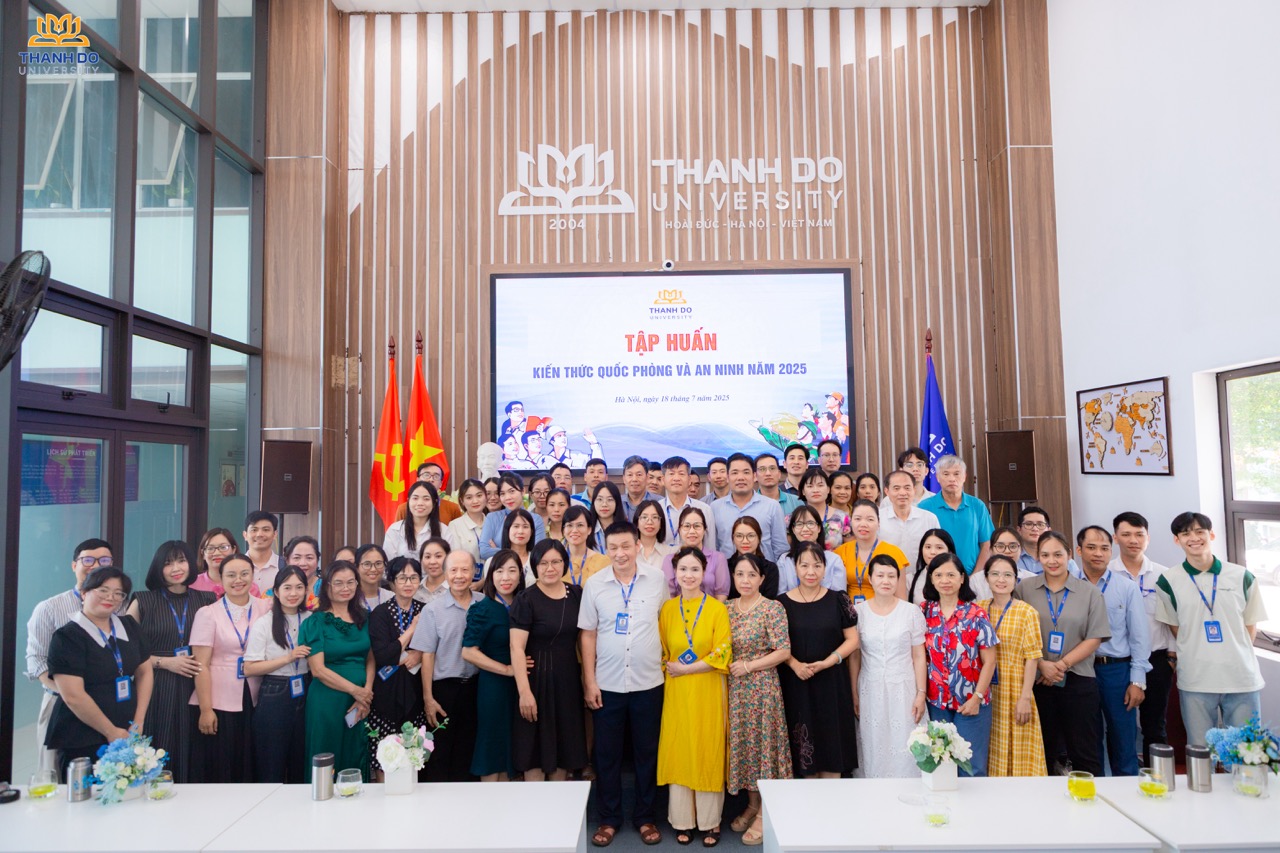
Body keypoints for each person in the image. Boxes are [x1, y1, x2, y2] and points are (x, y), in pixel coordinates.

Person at [579, 521, 669, 848]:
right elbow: (588, 634)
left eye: (626, 546)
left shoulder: (656, 579)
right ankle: (608, 818)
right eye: (613, 547)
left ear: (637, 546)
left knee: (647, 753)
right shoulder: (594, 584)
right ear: (606, 549)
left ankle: (645, 817)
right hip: (608, 683)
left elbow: (665, 623)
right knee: (607, 756)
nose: (620, 553)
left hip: (649, 683)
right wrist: (589, 681)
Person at [1155, 512, 1268, 751]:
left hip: (1240, 677)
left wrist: (1233, 653)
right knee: (1200, 751)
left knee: (1246, 751)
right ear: (1177, 540)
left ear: (1211, 535)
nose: (1194, 538)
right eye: (1186, 533)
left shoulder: (1242, 576)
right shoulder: (1168, 581)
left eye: (1200, 532)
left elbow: (1250, 626)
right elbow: (1176, 628)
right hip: (1196, 679)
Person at [1014, 531, 1110, 776]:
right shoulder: (1024, 589)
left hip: (1078, 680)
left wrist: (1061, 665)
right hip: (1037, 681)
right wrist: (1042, 665)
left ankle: (1089, 796)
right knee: (1042, 751)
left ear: (1069, 554)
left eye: (1058, 554)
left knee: (1085, 751)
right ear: (1038, 557)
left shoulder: (1089, 592)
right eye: (1045, 555)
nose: (1052, 560)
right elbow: (1017, 634)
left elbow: (1095, 637)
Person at [44, 565, 152, 777]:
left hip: (128, 729)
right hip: (82, 734)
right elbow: (73, 696)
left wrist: (138, 721)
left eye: (118, 593)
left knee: (129, 788)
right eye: (103, 590)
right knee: (87, 793)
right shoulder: (67, 637)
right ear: (84, 593)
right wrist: (110, 731)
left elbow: (145, 671)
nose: (110, 597)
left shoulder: (129, 626)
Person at [657, 547, 732, 846]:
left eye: (695, 569)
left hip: (708, 687)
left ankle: (710, 822)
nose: (688, 575)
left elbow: (723, 652)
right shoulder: (667, 609)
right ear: (675, 573)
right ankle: (682, 820)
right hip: (676, 689)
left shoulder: (717, 609)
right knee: (680, 747)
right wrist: (671, 667)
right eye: (683, 569)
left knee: (706, 745)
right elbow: (662, 651)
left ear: (704, 573)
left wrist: (687, 669)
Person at [126, 541, 216, 783]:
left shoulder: (207, 600)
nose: (176, 568)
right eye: (168, 563)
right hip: (156, 685)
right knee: (158, 747)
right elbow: (126, 651)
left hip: (196, 683)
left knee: (196, 748)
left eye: (181, 561)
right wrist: (164, 663)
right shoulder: (143, 601)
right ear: (158, 567)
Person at [26, 538, 116, 772]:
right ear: (74, 565)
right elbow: (37, 660)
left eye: (104, 561)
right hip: (62, 702)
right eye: (88, 560)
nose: (95, 565)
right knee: (57, 773)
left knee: (109, 771)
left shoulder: (118, 606)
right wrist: (72, 694)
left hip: (108, 702)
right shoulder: (49, 608)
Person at [725, 554, 792, 846]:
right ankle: (752, 804)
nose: (745, 580)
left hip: (762, 687)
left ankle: (765, 811)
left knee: (765, 747)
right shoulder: (726, 608)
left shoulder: (772, 608)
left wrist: (749, 666)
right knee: (745, 747)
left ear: (762, 579)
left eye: (752, 575)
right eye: (740, 574)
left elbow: (784, 651)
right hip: (735, 690)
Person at [777, 542, 859, 778]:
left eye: (817, 565)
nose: (810, 572)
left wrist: (828, 661)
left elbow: (853, 640)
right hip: (796, 683)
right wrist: (795, 665)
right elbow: (776, 644)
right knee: (804, 759)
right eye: (804, 566)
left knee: (832, 755)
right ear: (795, 568)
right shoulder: (780, 604)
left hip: (832, 683)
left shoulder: (839, 599)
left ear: (825, 568)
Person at [511, 539, 588, 780]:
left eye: (556, 562)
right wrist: (524, 692)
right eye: (543, 563)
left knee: (564, 751)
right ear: (535, 566)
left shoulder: (577, 594)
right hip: (536, 683)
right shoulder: (526, 599)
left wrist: (588, 680)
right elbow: (516, 647)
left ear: (565, 563)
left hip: (568, 682)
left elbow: (584, 639)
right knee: (534, 752)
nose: (550, 568)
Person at [189, 554, 270, 782]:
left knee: (254, 760)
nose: (238, 580)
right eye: (231, 575)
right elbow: (201, 665)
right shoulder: (207, 613)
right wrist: (206, 709)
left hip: (258, 695)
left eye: (244, 574)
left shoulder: (266, 607)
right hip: (219, 700)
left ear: (253, 576)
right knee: (224, 762)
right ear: (221, 579)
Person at [1077, 525, 1150, 777]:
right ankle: (1092, 788)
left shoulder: (1126, 587)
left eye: (1104, 548)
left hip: (1116, 670)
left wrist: (1137, 681)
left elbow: (1139, 637)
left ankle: (1127, 788)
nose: (1098, 553)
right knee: (1087, 737)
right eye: (1091, 547)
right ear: (1079, 550)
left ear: (1111, 550)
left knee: (1123, 737)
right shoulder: (1069, 586)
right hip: (1080, 670)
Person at [920, 553, 998, 776]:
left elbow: (990, 661)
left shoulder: (976, 614)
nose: (945, 580)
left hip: (971, 702)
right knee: (940, 766)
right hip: (937, 703)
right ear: (931, 579)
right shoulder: (924, 611)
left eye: (951, 575)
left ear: (962, 578)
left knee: (971, 767)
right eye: (939, 575)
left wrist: (977, 698)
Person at [850, 553, 927, 778]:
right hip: (870, 688)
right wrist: (854, 692)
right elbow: (855, 657)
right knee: (874, 745)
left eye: (891, 576)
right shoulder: (858, 612)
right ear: (870, 579)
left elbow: (918, 655)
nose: (886, 581)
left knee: (906, 744)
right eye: (880, 575)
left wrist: (921, 693)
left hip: (904, 688)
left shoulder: (911, 611)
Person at [410, 550, 483, 782]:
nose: (459, 575)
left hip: (477, 687)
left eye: (465, 570)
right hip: (444, 689)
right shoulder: (433, 609)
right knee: (441, 752)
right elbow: (427, 655)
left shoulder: (484, 604)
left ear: (474, 571)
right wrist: (428, 698)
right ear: (445, 573)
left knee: (469, 750)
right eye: (453, 570)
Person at [299, 560, 375, 782]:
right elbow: (318, 670)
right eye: (339, 583)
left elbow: (371, 658)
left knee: (355, 752)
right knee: (326, 755)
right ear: (327, 586)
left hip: (360, 701)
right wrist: (356, 691)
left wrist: (366, 693)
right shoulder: (315, 622)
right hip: (327, 700)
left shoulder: (365, 618)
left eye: (351, 582)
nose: (345, 588)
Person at [1110, 511, 1175, 768]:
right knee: (1119, 726)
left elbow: (1173, 619)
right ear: (1115, 538)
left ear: (1148, 538)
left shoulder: (1163, 575)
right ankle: (1122, 778)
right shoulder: (1107, 574)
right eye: (1126, 534)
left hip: (1156, 660)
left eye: (1139, 534)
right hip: (1118, 661)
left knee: (1155, 725)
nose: (1133, 540)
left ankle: (1157, 778)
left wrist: (1172, 657)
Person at [976, 554, 1047, 777]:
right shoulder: (978, 609)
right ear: (986, 578)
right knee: (988, 745)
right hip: (985, 689)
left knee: (1019, 747)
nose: (1001, 579)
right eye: (995, 574)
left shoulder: (1027, 612)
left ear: (1016, 580)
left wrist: (1025, 697)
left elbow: (1032, 658)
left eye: (1007, 575)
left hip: (1015, 688)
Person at [243, 566, 312, 783]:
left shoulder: (311, 619)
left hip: (307, 687)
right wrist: (288, 658)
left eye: (299, 587)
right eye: (287, 588)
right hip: (275, 691)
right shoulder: (264, 623)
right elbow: (249, 668)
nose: (293, 593)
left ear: (306, 590)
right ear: (276, 591)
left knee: (301, 760)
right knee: (271, 761)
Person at [462, 549, 526, 781]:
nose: (505, 577)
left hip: (522, 687)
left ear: (520, 575)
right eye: (499, 571)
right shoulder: (483, 608)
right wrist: (507, 670)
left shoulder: (525, 604)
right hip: (494, 686)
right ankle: (489, 800)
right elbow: (468, 652)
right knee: (492, 746)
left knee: (511, 747)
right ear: (491, 576)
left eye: (512, 571)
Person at [366, 557, 427, 778]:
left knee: (413, 755)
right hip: (386, 690)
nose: (408, 583)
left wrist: (420, 654)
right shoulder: (380, 613)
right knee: (384, 756)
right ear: (392, 582)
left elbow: (435, 647)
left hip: (415, 689)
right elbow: (382, 655)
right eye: (402, 578)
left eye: (413, 577)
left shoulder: (426, 610)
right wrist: (411, 630)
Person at [919, 456, 995, 576]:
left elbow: (987, 544)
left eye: (956, 474)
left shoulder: (977, 505)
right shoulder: (925, 507)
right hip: (937, 577)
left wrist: (975, 576)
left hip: (973, 576)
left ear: (964, 477)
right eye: (946, 474)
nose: (952, 479)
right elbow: (920, 545)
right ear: (937, 477)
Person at [712, 453, 788, 561]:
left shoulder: (772, 506)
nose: (740, 478)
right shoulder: (715, 507)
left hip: (764, 570)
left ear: (754, 476)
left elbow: (781, 549)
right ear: (728, 477)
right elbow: (713, 548)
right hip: (727, 570)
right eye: (735, 473)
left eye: (746, 472)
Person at [835, 499, 909, 603]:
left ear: (878, 523)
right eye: (858, 519)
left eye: (870, 519)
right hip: (849, 610)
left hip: (883, 609)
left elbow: (901, 597)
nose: (863, 524)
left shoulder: (894, 553)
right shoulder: (841, 552)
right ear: (851, 522)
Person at [661, 506, 731, 599]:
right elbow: (669, 594)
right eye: (687, 526)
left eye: (697, 526)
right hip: (678, 608)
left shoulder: (718, 558)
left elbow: (722, 593)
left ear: (704, 529)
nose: (692, 531)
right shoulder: (670, 560)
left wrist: (709, 609)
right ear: (679, 530)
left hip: (711, 607)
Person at [879, 469, 940, 569]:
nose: (902, 493)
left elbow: (938, 551)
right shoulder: (877, 518)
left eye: (907, 488)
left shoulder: (929, 518)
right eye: (896, 488)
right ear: (887, 491)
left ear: (914, 490)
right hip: (887, 576)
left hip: (921, 576)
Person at [777, 506, 846, 594]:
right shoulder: (784, 560)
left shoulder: (834, 560)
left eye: (810, 523)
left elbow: (839, 596)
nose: (805, 529)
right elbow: (781, 595)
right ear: (793, 529)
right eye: (799, 524)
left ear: (819, 528)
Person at [479, 473, 548, 559]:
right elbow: (484, 552)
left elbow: (538, 553)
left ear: (523, 491)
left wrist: (499, 551)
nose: (508, 497)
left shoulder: (535, 519)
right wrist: (521, 552)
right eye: (502, 493)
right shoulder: (492, 518)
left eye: (512, 491)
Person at [659, 456, 716, 549]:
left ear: (689, 480)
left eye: (681, 474)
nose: (676, 478)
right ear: (663, 480)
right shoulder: (656, 509)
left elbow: (710, 547)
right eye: (671, 474)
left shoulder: (704, 509)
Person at [1016, 506, 1082, 578]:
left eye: (1040, 524)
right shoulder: (1013, 556)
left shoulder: (1065, 560)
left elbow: (1076, 583)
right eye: (1028, 524)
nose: (1035, 529)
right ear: (1019, 530)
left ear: (1049, 530)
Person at [384, 481, 443, 561]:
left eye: (426, 499)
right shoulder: (395, 530)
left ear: (435, 503)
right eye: (415, 498)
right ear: (408, 501)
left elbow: (449, 563)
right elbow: (388, 563)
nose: (420, 503)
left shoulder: (444, 531)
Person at [727, 517, 780, 599]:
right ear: (733, 539)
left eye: (751, 536)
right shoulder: (724, 567)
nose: (745, 541)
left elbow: (769, 600)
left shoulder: (770, 568)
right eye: (739, 536)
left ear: (759, 538)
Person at [799, 468, 848, 549]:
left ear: (828, 489)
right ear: (803, 491)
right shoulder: (794, 518)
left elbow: (851, 549)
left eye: (820, 485)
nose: (815, 490)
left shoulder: (842, 517)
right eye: (810, 486)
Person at [563, 504, 612, 585]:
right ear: (564, 530)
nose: (574, 530)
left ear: (589, 530)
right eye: (569, 525)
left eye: (580, 525)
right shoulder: (556, 561)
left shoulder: (603, 562)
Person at [906, 529, 956, 603]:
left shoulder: (959, 579)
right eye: (928, 547)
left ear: (950, 551)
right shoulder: (910, 580)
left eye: (939, 548)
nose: (932, 552)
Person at [443, 478, 488, 563]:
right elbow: (454, 558)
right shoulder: (455, 526)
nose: (475, 501)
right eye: (469, 497)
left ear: (486, 496)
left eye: (479, 496)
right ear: (462, 501)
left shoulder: (493, 523)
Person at [487, 507, 535, 584]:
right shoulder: (492, 561)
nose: (520, 531)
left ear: (531, 532)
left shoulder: (537, 561)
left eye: (525, 527)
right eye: (516, 526)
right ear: (507, 529)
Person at [191, 528, 244, 596]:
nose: (217, 553)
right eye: (210, 548)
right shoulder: (192, 585)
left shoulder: (245, 584)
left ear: (233, 550)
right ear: (203, 554)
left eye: (223, 547)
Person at [633, 499, 676, 574]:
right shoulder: (629, 551)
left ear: (661, 524)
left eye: (655, 517)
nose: (649, 522)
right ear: (637, 523)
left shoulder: (670, 552)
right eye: (644, 517)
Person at [243, 511, 281, 592]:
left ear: (275, 534)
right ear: (245, 535)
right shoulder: (234, 566)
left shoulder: (284, 566)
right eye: (254, 530)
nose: (259, 534)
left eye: (266, 530)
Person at [280, 535, 322, 608]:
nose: (303, 563)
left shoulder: (327, 588)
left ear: (317, 560)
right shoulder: (274, 591)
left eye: (309, 558)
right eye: (297, 558)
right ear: (287, 560)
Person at [620, 455, 661, 522]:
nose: (634, 479)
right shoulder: (617, 502)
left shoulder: (660, 502)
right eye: (630, 475)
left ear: (647, 477)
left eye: (639, 475)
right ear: (624, 479)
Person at [355, 544, 395, 611]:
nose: (373, 569)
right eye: (367, 564)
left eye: (378, 563)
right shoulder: (350, 597)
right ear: (356, 567)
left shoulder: (391, 598)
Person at [415, 537, 451, 603]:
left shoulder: (455, 588)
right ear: (421, 560)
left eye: (438, 556)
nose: (432, 562)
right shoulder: (415, 588)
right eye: (428, 557)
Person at [590, 481, 624, 552]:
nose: (604, 504)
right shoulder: (587, 529)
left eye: (610, 499)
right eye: (600, 499)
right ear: (593, 502)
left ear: (617, 502)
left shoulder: (626, 529)